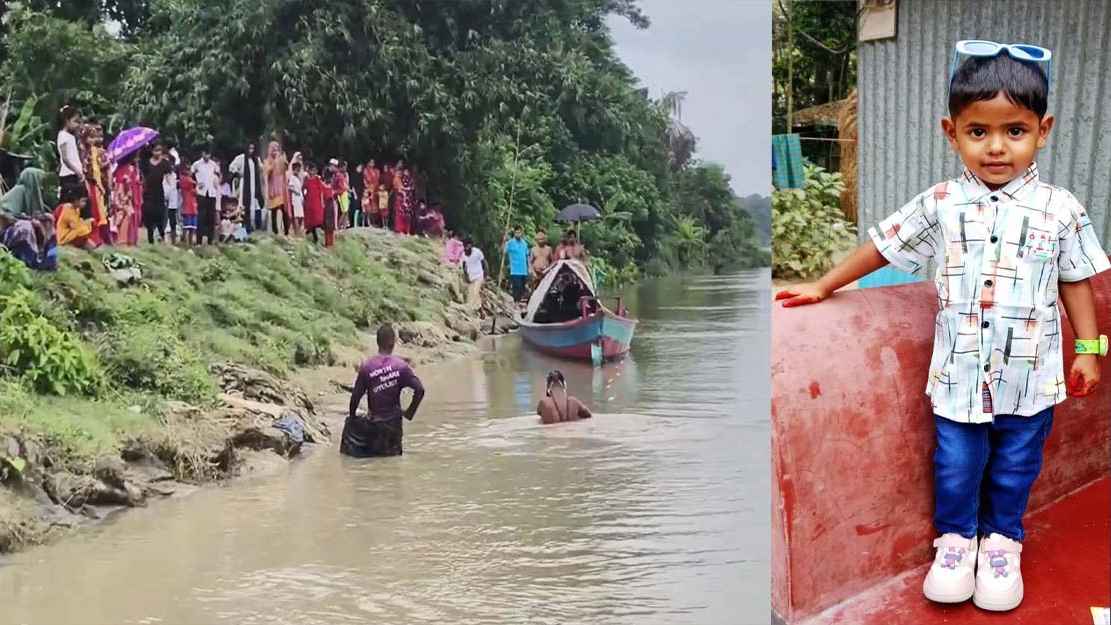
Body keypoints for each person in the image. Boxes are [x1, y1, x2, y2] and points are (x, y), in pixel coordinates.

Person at [776, 46, 1109, 613]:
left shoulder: (1061, 209)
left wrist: (1089, 349)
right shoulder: (942, 202)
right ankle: (955, 544)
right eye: (978, 130)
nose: (996, 146)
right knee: (956, 463)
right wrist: (824, 286)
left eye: (1015, 131)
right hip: (959, 375)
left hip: (1032, 377)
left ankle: (1002, 543)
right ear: (951, 132)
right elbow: (883, 244)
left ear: (1043, 130)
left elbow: (1075, 281)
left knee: (1016, 465)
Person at [341, 324, 426, 457]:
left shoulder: (367, 367)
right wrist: (410, 412)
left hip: (374, 425)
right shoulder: (401, 366)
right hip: (394, 426)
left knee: (375, 460)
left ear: (377, 342)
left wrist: (352, 418)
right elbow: (420, 390)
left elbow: (355, 397)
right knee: (392, 462)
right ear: (393, 343)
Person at [140, 143, 174, 245]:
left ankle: (162, 236)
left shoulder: (165, 163)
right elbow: (143, 177)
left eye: (159, 150)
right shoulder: (146, 163)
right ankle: (150, 239)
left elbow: (169, 178)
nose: (157, 152)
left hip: (159, 192)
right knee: (148, 215)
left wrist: (170, 190)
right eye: (155, 150)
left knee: (160, 215)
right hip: (147, 192)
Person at [230, 143, 266, 233]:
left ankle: (254, 232)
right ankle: (242, 235)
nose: (251, 150)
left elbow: (262, 169)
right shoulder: (241, 158)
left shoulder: (256, 159)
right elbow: (232, 167)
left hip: (254, 187)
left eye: (253, 148)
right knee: (243, 209)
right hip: (245, 186)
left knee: (255, 208)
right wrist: (238, 174)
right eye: (249, 148)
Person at [191, 149, 221, 245]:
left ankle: (210, 240)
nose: (207, 156)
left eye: (208, 154)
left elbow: (219, 175)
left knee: (210, 217)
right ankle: (199, 240)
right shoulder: (197, 164)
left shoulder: (213, 165)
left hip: (211, 192)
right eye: (205, 153)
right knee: (201, 216)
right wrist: (196, 184)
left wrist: (217, 182)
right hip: (201, 192)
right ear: (202, 153)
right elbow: (190, 175)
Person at [56, 105, 85, 200]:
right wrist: (77, 171)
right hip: (68, 174)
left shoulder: (71, 137)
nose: (77, 125)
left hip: (75, 174)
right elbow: (65, 158)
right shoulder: (63, 135)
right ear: (67, 121)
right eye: (75, 121)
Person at [112, 154, 141, 246]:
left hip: (130, 195)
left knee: (129, 216)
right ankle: (122, 239)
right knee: (124, 216)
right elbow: (119, 182)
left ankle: (128, 239)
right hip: (123, 194)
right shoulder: (124, 169)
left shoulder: (134, 169)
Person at [54, 185, 95, 249]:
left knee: (85, 234)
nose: (85, 203)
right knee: (82, 230)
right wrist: (87, 223)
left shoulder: (76, 209)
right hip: (64, 237)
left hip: (71, 234)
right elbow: (75, 226)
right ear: (75, 200)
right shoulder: (68, 209)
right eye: (83, 201)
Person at [264, 140, 290, 235]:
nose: (275, 151)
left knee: (284, 211)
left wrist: (282, 159)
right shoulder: (267, 161)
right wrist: (274, 162)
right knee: (274, 212)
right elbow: (267, 172)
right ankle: (275, 232)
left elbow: (286, 167)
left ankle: (286, 232)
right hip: (273, 190)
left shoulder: (281, 159)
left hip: (282, 189)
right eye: (273, 148)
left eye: (276, 148)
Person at [303, 162, 329, 245]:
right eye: (312, 170)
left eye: (315, 170)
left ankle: (321, 237)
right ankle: (314, 236)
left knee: (318, 219)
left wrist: (322, 202)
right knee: (311, 220)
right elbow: (303, 188)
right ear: (309, 170)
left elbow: (321, 190)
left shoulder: (317, 179)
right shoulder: (306, 179)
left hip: (316, 201)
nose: (313, 172)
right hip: (309, 202)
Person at [504, 226, 531, 303]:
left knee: (523, 289)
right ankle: (516, 303)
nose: (518, 234)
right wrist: (504, 241)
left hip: (523, 270)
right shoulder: (510, 243)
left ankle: (519, 304)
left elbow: (527, 256)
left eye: (520, 232)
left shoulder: (524, 243)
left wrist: (529, 267)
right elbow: (503, 251)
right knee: (517, 288)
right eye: (517, 232)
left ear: (522, 233)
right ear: (514, 233)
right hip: (515, 271)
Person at [461, 238, 487, 308]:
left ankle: (473, 308)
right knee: (471, 294)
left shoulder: (477, 252)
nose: (467, 249)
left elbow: (484, 263)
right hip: (471, 277)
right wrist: (466, 276)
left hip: (479, 276)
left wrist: (485, 276)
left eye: (469, 247)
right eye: (466, 247)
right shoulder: (463, 254)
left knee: (475, 292)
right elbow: (464, 266)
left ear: (471, 246)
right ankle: (480, 309)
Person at [178, 164, 198, 247]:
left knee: (191, 227)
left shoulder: (185, 180)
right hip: (188, 206)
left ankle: (189, 242)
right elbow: (194, 185)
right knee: (187, 226)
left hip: (192, 206)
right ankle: (185, 242)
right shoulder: (185, 180)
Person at [163, 155, 180, 245]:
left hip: (172, 201)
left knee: (173, 220)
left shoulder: (174, 175)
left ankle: (173, 241)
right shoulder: (163, 174)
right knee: (163, 220)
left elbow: (172, 188)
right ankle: (161, 239)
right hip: (164, 200)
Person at [288, 161, 305, 236]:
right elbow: (290, 187)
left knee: (301, 216)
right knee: (296, 216)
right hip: (295, 198)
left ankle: (298, 230)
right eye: (297, 169)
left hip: (300, 198)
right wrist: (296, 192)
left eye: (299, 170)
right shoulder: (292, 177)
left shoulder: (298, 178)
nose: (298, 171)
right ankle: (297, 232)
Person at [362, 158, 379, 226]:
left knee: (374, 207)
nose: (372, 164)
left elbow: (377, 180)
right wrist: (368, 187)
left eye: (373, 162)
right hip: (368, 190)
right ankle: (367, 222)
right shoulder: (366, 170)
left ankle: (373, 222)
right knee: (367, 206)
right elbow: (365, 180)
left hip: (374, 190)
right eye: (371, 162)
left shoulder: (376, 171)